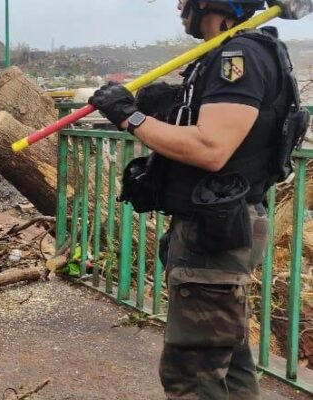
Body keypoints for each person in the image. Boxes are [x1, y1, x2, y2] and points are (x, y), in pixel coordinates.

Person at [88, 1, 303, 398]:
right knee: (227, 364)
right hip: (215, 229)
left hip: (215, 235)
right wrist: (165, 106)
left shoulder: (239, 56)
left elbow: (211, 147)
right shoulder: (228, 54)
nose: (179, 7)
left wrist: (130, 118)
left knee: (192, 375)